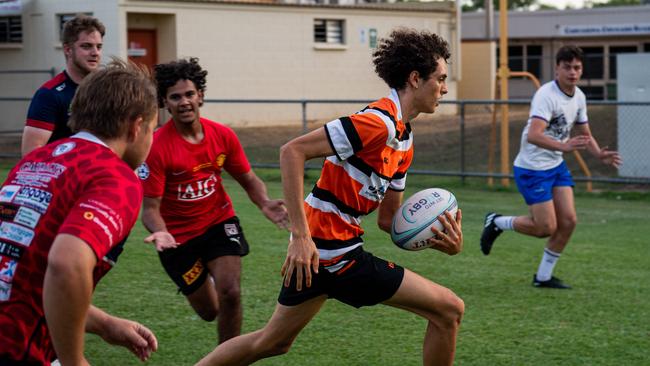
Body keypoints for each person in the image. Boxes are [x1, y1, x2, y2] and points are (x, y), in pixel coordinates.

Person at [196, 28, 464, 366]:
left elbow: (389, 222)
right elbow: (291, 151)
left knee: (272, 342)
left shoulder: (404, 141)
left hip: (325, 252)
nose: (444, 88)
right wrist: (300, 236)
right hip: (333, 253)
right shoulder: (376, 123)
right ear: (415, 78)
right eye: (439, 78)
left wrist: (442, 241)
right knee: (449, 310)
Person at [0, 59, 159, 365]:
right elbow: (66, 264)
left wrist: (105, 324)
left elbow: (26, 277)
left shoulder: (34, 163)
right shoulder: (115, 176)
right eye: (153, 129)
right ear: (136, 127)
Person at [139, 58, 288, 344]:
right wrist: (160, 232)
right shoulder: (156, 147)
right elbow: (151, 209)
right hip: (176, 239)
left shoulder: (222, 135)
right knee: (210, 311)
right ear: (164, 103)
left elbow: (248, 179)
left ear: (201, 96)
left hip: (218, 222)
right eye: (175, 97)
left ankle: (227, 360)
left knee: (230, 292)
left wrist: (264, 202)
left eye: (189, 94)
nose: (184, 102)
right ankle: (203, 281)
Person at [480, 45, 622, 289]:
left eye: (577, 67)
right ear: (557, 69)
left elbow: (584, 132)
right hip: (532, 168)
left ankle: (543, 277)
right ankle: (497, 222)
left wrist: (599, 154)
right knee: (545, 227)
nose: (572, 72)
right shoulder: (546, 95)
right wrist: (564, 146)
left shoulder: (578, 96)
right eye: (567, 67)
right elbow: (534, 135)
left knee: (568, 222)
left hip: (555, 166)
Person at [21, 14, 105, 156]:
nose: (95, 53)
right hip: (67, 175)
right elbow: (30, 153)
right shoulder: (49, 94)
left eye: (99, 46)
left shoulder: (107, 90)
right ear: (67, 50)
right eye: (86, 46)